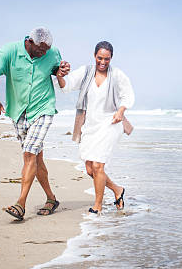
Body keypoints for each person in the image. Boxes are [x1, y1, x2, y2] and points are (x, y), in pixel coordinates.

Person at [0, 27, 71, 221]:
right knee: (36, 159)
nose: (44, 53)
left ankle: (20, 204)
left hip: (43, 109)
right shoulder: (8, 52)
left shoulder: (52, 52)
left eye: (46, 50)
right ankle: (51, 198)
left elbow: (56, 70)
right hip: (19, 111)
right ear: (29, 42)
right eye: (40, 50)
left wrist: (60, 71)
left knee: (29, 153)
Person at [56, 41, 134, 214]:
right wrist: (59, 75)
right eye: (100, 58)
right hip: (89, 125)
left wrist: (121, 110)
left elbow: (128, 95)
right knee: (91, 169)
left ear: (111, 58)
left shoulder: (117, 75)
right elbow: (66, 86)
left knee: (98, 166)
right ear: (94, 56)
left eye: (107, 59)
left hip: (110, 123)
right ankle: (117, 190)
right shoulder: (85, 72)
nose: (103, 62)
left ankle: (97, 206)